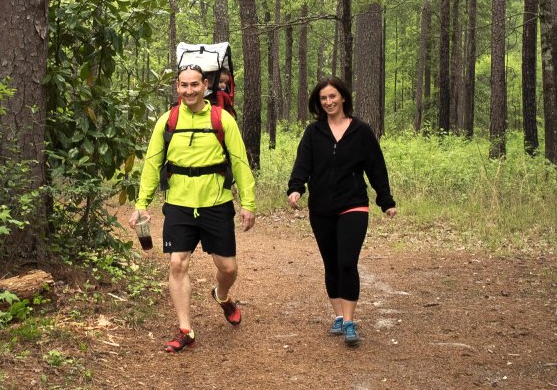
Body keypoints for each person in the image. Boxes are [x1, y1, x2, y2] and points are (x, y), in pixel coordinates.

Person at [130, 64, 256, 353]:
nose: (189, 90)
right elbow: (152, 164)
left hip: (216, 203)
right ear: (177, 87)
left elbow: (239, 162)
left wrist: (248, 203)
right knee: (177, 263)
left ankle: (222, 296)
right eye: (184, 85)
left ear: (206, 85)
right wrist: (141, 204)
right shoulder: (167, 121)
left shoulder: (222, 119)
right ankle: (185, 329)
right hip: (178, 205)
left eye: (195, 85)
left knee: (228, 268)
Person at [287, 76, 397, 347]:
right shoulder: (314, 132)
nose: (328, 102)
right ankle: (338, 316)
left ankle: (349, 321)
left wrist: (386, 200)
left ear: (343, 97)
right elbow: (303, 164)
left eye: (332, 97)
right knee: (331, 262)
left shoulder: (361, 131)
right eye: (323, 98)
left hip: (353, 205)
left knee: (347, 261)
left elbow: (376, 167)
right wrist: (296, 188)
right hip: (321, 207)